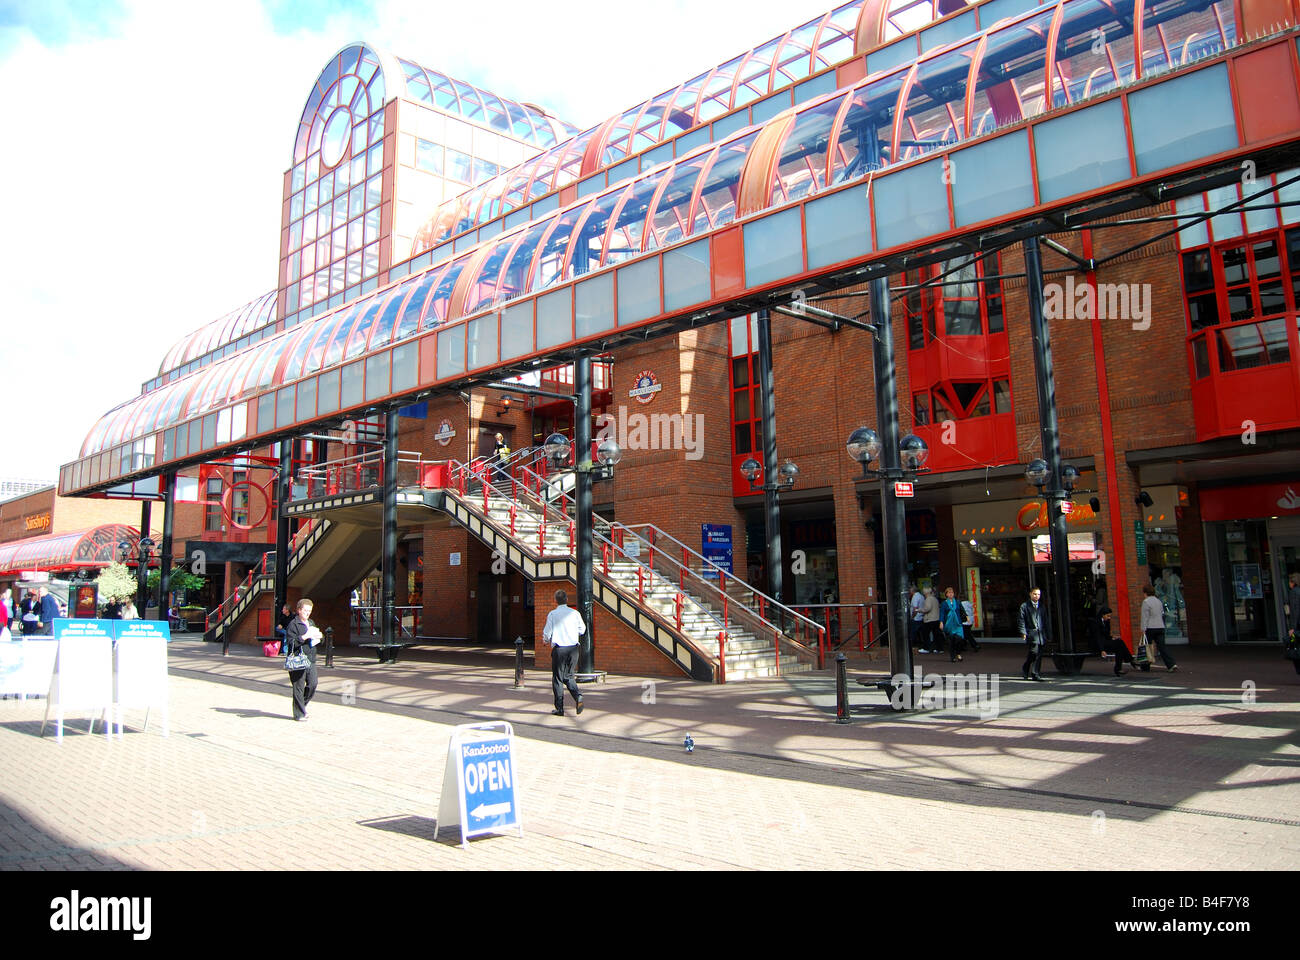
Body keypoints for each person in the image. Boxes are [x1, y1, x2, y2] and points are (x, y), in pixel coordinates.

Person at [542, 589, 586, 716]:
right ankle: (578, 696)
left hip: (560, 649)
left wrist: (545, 640)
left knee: (558, 679)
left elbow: (547, 632)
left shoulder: (552, 614)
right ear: (567, 600)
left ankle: (560, 708)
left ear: (555, 600)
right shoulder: (575, 613)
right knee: (569, 676)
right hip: (573, 649)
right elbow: (582, 630)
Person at [284, 598, 322, 721]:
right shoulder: (293, 625)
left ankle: (301, 706)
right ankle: (299, 713)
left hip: (310, 659)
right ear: (299, 610)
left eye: (310, 611)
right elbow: (291, 643)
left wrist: (319, 637)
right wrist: (304, 637)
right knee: (298, 687)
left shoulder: (311, 622)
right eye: (305, 610)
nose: (308, 613)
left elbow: (316, 640)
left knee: (313, 684)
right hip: (298, 659)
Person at [1141, 582, 1176, 672]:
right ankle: (1171, 664)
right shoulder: (1158, 601)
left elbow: (1145, 617)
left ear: (1145, 593)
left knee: (1147, 647)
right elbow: (1161, 614)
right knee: (1162, 647)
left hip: (1150, 627)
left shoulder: (1146, 602)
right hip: (1160, 626)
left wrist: (1143, 628)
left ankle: (1145, 666)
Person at [1091, 606, 1134, 676]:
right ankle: (1130, 660)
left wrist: (1112, 638)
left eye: (1110, 616)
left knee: (1119, 645)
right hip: (1098, 644)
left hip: (1105, 642)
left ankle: (1118, 668)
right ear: (1103, 615)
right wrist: (1102, 650)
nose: (1109, 618)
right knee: (1119, 643)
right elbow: (1097, 637)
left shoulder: (1107, 622)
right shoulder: (1096, 622)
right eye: (1108, 616)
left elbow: (1106, 635)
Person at [1018, 587, 1049, 681]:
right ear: (1030, 594)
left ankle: (1035, 674)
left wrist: (1048, 633)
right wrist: (1023, 632)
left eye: (1038, 594)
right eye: (1035, 594)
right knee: (1034, 652)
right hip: (1032, 633)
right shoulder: (1024, 606)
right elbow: (1021, 620)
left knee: (1039, 654)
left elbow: (1045, 620)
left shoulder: (1042, 606)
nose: (1037, 596)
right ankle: (1026, 666)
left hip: (1041, 634)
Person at [940, 587, 964, 662]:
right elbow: (942, 613)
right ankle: (953, 657)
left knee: (959, 638)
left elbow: (962, 610)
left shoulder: (957, 602)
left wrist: (966, 617)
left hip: (957, 623)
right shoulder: (944, 604)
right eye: (949, 593)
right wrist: (941, 622)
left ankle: (958, 653)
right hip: (948, 624)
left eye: (952, 593)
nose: (951, 594)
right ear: (946, 594)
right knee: (951, 641)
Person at [1284, 572, 1300, 675]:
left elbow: (1294, 611)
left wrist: (1292, 628)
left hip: (1297, 627)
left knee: (1295, 645)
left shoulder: (1294, 592)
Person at [920, 586, 941, 654]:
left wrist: (920, 610)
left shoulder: (928, 599)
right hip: (936, 618)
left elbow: (927, 608)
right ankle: (938, 648)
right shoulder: (935, 599)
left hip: (929, 619)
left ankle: (926, 648)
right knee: (936, 634)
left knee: (925, 634)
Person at [908, 586, 924, 651]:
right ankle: (923, 645)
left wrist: (912, 617)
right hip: (921, 616)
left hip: (916, 617)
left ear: (912, 591)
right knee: (921, 633)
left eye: (910, 590)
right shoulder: (921, 596)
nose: (909, 592)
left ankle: (911, 646)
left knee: (913, 632)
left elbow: (915, 608)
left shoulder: (915, 597)